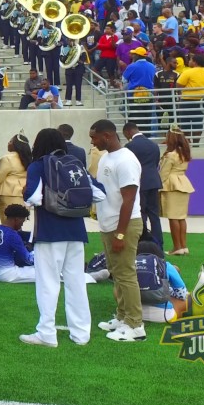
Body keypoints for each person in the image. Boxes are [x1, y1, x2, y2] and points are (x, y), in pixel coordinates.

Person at [20, 128, 92, 347]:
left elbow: (33, 197)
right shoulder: (75, 162)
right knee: (76, 282)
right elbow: (97, 193)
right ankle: (81, 334)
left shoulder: (38, 165)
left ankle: (47, 333)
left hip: (49, 231)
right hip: (77, 231)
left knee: (48, 283)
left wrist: (27, 193)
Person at [90, 119, 145, 343]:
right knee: (117, 273)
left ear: (107, 136)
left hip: (124, 225)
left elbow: (129, 199)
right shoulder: (106, 157)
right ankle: (122, 317)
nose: (92, 141)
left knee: (126, 273)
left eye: (94, 137)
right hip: (108, 224)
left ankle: (136, 325)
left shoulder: (126, 160)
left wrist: (121, 233)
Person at [122, 122, 163, 247]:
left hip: (139, 182)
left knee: (141, 214)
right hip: (153, 182)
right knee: (154, 215)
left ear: (128, 132)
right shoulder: (154, 145)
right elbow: (156, 163)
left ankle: (143, 243)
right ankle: (158, 244)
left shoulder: (129, 146)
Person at [159, 128, 195, 256]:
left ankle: (177, 247)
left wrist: (158, 185)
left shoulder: (170, 155)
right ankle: (183, 246)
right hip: (183, 182)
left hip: (172, 184)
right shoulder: (184, 152)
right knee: (181, 217)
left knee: (173, 217)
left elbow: (163, 173)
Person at [0, 204, 35, 283]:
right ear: (16, 219)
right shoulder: (12, 235)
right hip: (8, 274)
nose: (22, 224)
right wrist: (35, 252)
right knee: (46, 274)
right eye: (22, 221)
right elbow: (28, 260)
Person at [0, 134, 31, 224]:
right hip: (23, 195)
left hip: (8, 195)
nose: (8, 143)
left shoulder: (7, 159)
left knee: (8, 224)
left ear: (15, 145)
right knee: (18, 224)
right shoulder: (28, 159)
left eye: (10, 141)